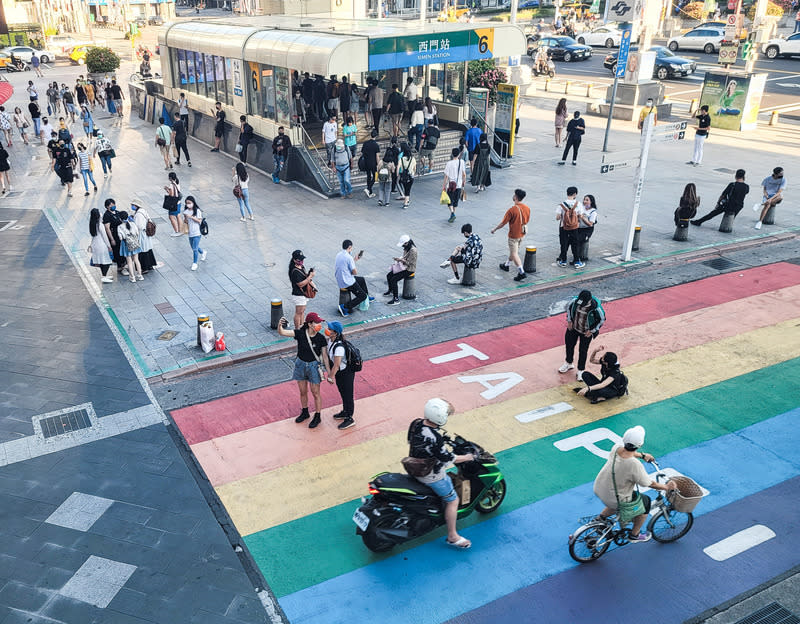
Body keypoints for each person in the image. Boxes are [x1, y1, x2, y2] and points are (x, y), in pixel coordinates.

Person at [407, 398, 475, 549]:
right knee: (453, 500)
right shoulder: (435, 438)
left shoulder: (416, 423)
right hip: (429, 474)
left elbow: (414, 441)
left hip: (413, 465)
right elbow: (448, 458)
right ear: (440, 417)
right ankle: (452, 535)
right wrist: (468, 457)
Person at [593, 426, 678, 542]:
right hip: (615, 497)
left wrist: (642, 455)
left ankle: (600, 519)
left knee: (617, 499)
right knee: (646, 502)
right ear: (640, 445)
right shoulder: (634, 465)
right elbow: (649, 483)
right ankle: (635, 534)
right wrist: (666, 487)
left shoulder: (616, 448)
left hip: (600, 487)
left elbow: (628, 452)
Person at [276, 311, 330, 429]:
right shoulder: (300, 333)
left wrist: (329, 373)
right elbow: (283, 333)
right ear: (310, 324)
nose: (319, 325)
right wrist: (279, 326)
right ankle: (305, 411)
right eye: (317, 323)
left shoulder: (321, 338)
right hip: (300, 364)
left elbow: (325, 356)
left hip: (314, 366)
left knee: (315, 392)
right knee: (303, 391)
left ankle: (317, 415)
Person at [558, 289, 606, 380]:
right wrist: (569, 321)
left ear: (589, 300)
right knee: (569, 345)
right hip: (574, 328)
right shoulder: (574, 302)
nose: (581, 304)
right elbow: (569, 309)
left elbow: (602, 320)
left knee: (583, 350)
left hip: (586, 332)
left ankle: (581, 370)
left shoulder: (596, 308)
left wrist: (592, 330)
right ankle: (568, 363)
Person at [492, 189, 530, 282]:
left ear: (516, 197)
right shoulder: (527, 208)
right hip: (522, 234)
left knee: (514, 253)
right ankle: (506, 265)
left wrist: (494, 229)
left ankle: (521, 272)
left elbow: (503, 223)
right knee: (514, 251)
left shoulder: (512, 210)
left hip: (513, 235)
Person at [324, 321, 357, 430]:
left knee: (348, 395)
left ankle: (349, 417)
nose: (327, 329)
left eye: (330, 329)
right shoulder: (330, 341)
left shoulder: (339, 347)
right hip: (340, 373)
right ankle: (345, 411)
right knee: (342, 392)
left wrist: (330, 376)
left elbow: (337, 364)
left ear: (335, 333)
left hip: (346, 373)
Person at [335, 239, 373, 317]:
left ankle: (367, 297)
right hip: (347, 282)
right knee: (362, 296)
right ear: (349, 247)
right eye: (351, 248)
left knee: (361, 279)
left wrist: (354, 260)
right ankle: (345, 307)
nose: (352, 249)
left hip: (341, 278)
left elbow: (345, 265)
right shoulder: (348, 257)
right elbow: (355, 272)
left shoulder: (339, 254)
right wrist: (353, 263)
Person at [385, 234, 417, 305]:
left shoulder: (413, 251)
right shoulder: (407, 247)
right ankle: (391, 290)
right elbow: (405, 257)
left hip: (409, 269)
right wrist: (400, 259)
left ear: (407, 243)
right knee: (389, 275)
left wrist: (401, 260)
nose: (402, 246)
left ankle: (396, 299)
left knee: (394, 279)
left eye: (403, 244)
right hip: (404, 266)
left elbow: (411, 263)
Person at [289, 250, 316, 328]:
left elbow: (304, 276)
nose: (301, 261)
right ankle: (297, 329)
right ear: (294, 260)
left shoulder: (301, 267)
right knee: (298, 312)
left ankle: (302, 326)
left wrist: (309, 274)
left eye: (302, 259)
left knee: (302, 311)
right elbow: (300, 284)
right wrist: (310, 276)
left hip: (303, 293)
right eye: (299, 260)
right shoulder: (294, 271)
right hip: (298, 294)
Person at [556, 186, 581, 267]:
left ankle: (563, 261)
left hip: (563, 227)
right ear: (575, 194)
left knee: (563, 244)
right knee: (575, 243)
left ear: (567, 193)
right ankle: (577, 261)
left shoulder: (561, 205)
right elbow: (580, 216)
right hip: (574, 227)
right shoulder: (578, 204)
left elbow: (558, 218)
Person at [131, 198, 157, 274]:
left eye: (133, 205)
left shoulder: (138, 214)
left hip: (142, 234)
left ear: (136, 206)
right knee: (148, 249)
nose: (132, 206)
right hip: (146, 234)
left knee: (142, 251)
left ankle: (144, 268)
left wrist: (132, 222)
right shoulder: (143, 211)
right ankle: (150, 265)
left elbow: (139, 226)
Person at [117, 210, 143, 283]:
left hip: (126, 245)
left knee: (129, 262)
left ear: (120, 219)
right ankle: (140, 275)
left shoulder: (119, 227)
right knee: (136, 260)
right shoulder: (133, 224)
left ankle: (132, 277)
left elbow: (121, 238)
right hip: (135, 243)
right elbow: (137, 233)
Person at [89, 207, 114, 284]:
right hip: (102, 245)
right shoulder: (100, 225)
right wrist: (109, 246)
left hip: (95, 245)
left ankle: (104, 276)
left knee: (101, 261)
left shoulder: (92, 223)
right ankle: (104, 276)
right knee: (107, 261)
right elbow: (105, 236)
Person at [442, 148, 466, 223]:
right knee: (455, 201)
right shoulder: (461, 162)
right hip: (458, 184)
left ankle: (452, 213)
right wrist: (463, 182)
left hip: (451, 185)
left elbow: (446, 176)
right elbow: (464, 174)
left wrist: (444, 185)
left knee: (449, 201)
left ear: (452, 154)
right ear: (459, 154)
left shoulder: (449, 163)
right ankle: (453, 214)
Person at [183, 195, 206, 271]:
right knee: (193, 247)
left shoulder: (197, 211)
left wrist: (191, 217)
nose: (188, 205)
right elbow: (185, 221)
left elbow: (199, 221)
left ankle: (195, 263)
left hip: (197, 233)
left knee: (195, 249)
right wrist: (186, 218)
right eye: (187, 203)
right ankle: (203, 252)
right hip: (190, 232)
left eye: (189, 203)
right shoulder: (186, 211)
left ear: (193, 202)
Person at [575, 194, 597, 264]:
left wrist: (582, 217)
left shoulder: (593, 212)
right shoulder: (582, 208)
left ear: (591, 202)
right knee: (574, 240)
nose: (585, 201)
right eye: (584, 199)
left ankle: (580, 258)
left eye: (587, 200)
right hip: (579, 228)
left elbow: (590, 224)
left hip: (587, 230)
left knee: (579, 240)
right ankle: (577, 256)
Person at [361, 129, 380, 198]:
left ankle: (370, 191)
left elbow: (362, 152)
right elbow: (377, 156)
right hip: (373, 163)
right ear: (376, 136)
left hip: (366, 162)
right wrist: (378, 165)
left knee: (368, 176)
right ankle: (368, 188)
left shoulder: (365, 143)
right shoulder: (376, 145)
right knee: (376, 176)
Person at [397, 142, 416, 208]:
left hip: (403, 176)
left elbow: (398, 167)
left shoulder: (401, 159)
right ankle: (406, 202)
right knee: (408, 189)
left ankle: (406, 201)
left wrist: (397, 174)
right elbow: (414, 168)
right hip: (410, 176)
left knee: (406, 188)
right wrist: (413, 173)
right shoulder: (413, 159)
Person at [164, 172, 182, 236]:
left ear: (170, 178)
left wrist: (167, 189)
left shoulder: (171, 185)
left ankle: (176, 231)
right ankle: (180, 230)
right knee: (178, 216)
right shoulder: (177, 182)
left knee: (171, 217)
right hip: (178, 202)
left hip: (173, 204)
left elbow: (171, 195)